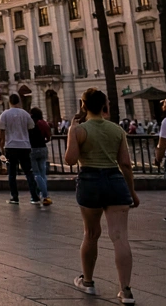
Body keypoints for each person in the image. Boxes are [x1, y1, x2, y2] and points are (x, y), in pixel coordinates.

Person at [65, 88, 138, 305]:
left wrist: (72, 131)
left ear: (84, 106)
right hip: (115, 181)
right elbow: (125, 164)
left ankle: (88, 282)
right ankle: (126, 291)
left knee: (91, 233)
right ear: (105, 105)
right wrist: (132, 192)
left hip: (90, 181)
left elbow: (70, 159)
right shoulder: (116, 130)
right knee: (120, 237)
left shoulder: (79, 130)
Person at [0, 93, 41, 205]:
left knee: (12, 174)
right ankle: (34, 197)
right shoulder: (25, 114)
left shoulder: (5, 114)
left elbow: (0, 132)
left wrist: (1, 147)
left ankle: (14, 197)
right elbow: (31, 126)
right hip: (24, 146)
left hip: (11, 146)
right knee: (28, 172)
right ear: (19, 102)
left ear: (10, 102)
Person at [28, 107, 53, 207]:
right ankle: (41, 194)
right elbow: (49, 137)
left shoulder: (30, 124)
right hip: (43, 148)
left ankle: (45, 195)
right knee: (43, 173)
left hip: (32, 149)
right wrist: (43, 141)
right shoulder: (43, 123)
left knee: (36, 174)